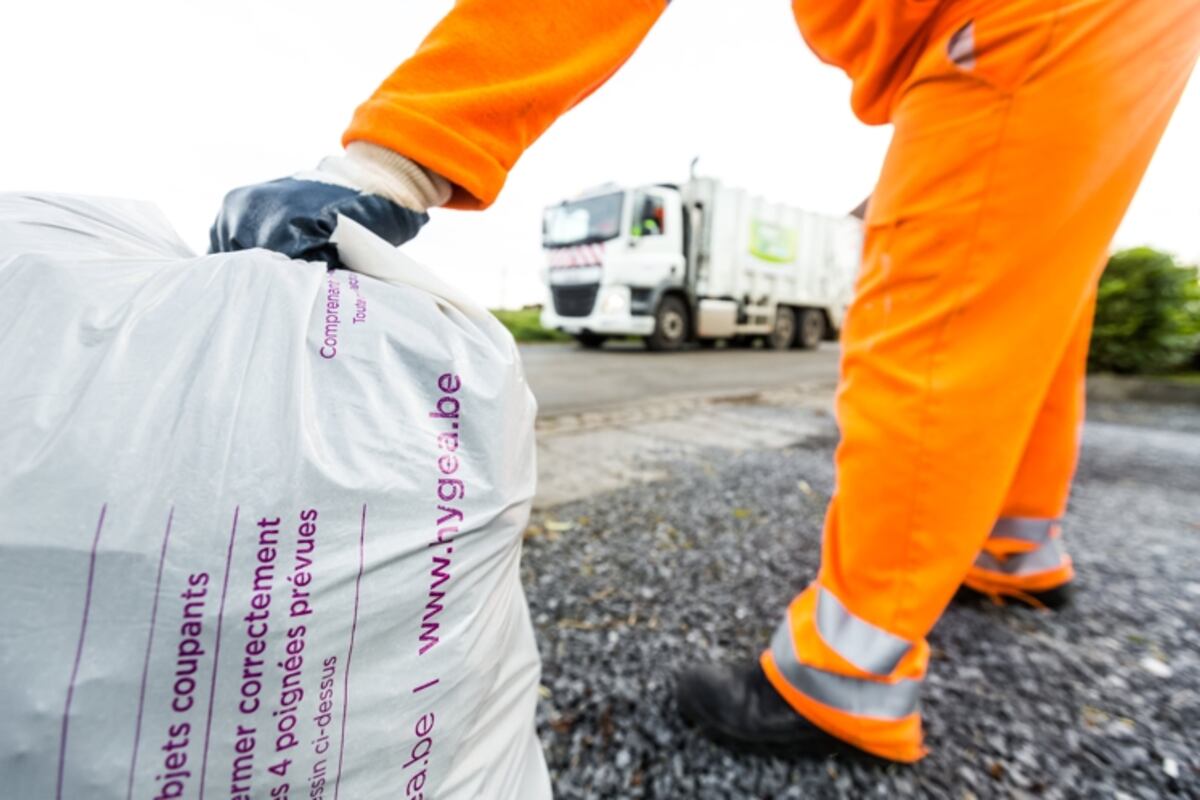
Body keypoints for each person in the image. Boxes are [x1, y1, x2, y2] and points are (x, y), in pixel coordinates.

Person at [210, 0, 1200, 763]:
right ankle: (1016, 551)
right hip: (1122, 30)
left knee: (932, 331)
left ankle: (844, 677)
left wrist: (392, 161)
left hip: (1021, 25)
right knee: (1029, 306)